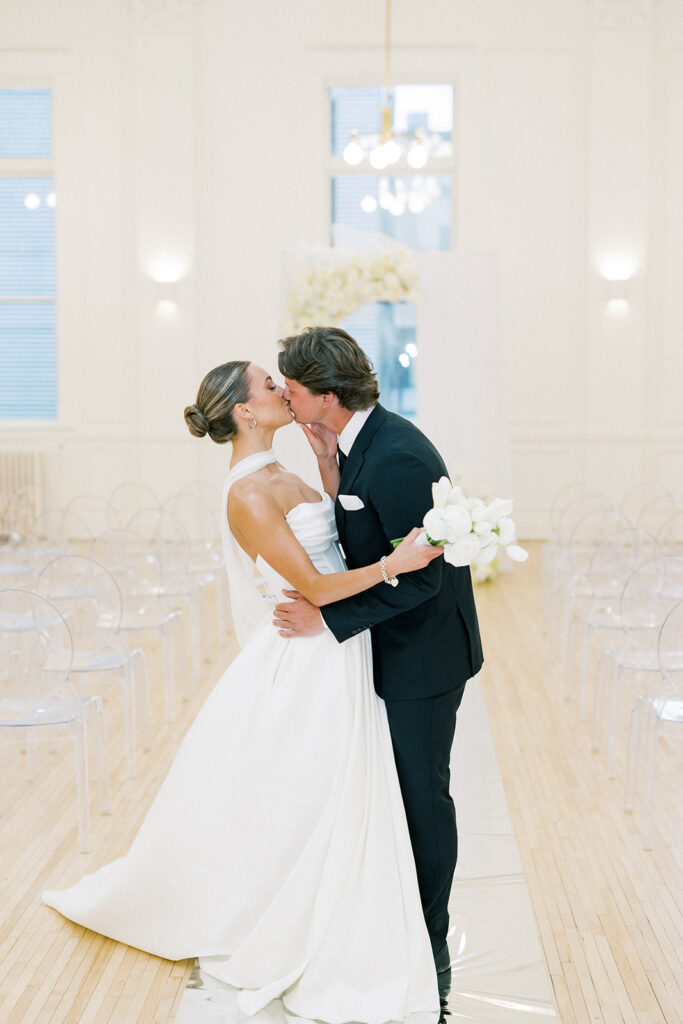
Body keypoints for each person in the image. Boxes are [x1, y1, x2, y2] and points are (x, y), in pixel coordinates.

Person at [42, 359, 444, 1024]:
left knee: (330, 786)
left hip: (338, 647)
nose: (280, 390)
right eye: (266, 385)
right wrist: (392, 565)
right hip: (312, 652)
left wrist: (325, 468)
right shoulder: (246, 494)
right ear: (243, 413)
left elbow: (326, 543)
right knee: (315, 789)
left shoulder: (280, 470)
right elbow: (313, 589)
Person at [275, 326, 484, 983]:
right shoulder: (357, 444)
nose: (284, 397)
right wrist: (332, 477)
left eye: (293, 388)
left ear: (327, 396)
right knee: (403, 792)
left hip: (423, 656)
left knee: (424, 797)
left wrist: (326, 616)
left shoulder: (396, 455)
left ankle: (430, 941)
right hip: (398, 644)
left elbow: (421, 578)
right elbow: (370, 544)